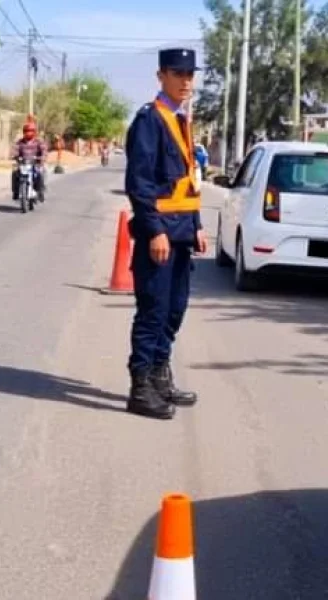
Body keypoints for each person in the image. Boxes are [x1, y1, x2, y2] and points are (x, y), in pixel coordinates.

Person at [124, 47, 208, 420]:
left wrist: (198, 226)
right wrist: (154, 230)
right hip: (159, 236)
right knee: (153, 312)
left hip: (182, 234)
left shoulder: (180, 119)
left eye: (190, 73)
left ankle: (160, 375)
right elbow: (140, 183)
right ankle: (140, 388)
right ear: (161, 76)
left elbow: (186, 182)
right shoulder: (150, 120)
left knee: (174, 310)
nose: (186, 80)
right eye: (177, 73)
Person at [11, 122, 47, 201]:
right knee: (14, 172)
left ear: (34, 132)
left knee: (41, 172)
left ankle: (40, 191)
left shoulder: (39, 141)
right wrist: (15, 156)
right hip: (23, 163)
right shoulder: (20, 142)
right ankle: (15, 192)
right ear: (24, 132)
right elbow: (15, 150)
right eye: (26, 131)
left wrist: (42, 157)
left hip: (35, 163)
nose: (28, 133)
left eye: (30, 131)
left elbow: (44, 150)